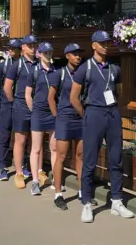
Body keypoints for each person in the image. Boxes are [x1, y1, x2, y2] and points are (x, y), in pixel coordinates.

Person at [70, 30, 134, 223]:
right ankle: (87, 204)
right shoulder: (85, 68)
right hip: (94, 113)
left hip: (112, 113)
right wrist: (87, 114)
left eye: (107, 43)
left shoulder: (115, 68)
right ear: (94, 45)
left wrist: (115, 109)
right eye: (102, 43)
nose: (106, 46)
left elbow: (120, 92)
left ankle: (116, 200)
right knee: (90, 161)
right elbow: (73, 98)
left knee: (116, 159)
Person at [49, 43, 98, 210]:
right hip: (64, 118)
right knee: (61, 155)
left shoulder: (85, 72)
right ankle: (58, 193)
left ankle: (82, 191)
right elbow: (51, 98)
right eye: (74, 54)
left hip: (81, 118)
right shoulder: (59, 74)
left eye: (80, 54)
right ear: (67, 56)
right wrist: (57, 117)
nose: (78, 57)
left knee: (81, 155)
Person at [4, 34, 40, 189]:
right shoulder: (16, 65)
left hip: (37, 105)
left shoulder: (40, 63)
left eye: (34, 45)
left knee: (35, 140)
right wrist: (14, 102)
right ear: (23, 47)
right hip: (20, 105)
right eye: (30, 45)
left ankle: (37, 171)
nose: (33, 48)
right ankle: (19, 172)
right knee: (21, 140)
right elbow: (7, 87)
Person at [26, 42, 58, 196]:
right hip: (38, 113)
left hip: (51, 113)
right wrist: (34, 110)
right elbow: (27, 94)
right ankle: (35, 182)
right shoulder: (34, 71)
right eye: (45, 53)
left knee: (54, 147)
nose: (48, 55)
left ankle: (56, 180)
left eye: (50, 52)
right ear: (39, 54)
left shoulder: (55, 71)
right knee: (36, 148)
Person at [0, 38, 22, 181]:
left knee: (22, 136)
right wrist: (7, 99)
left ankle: (22, 165)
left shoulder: (24, 64)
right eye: (9, 48)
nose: (10, 51)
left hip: (21, 104)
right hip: (7, 104)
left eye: (13, 48)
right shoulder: (3, 66)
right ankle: (2, 167)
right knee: (4, 135)